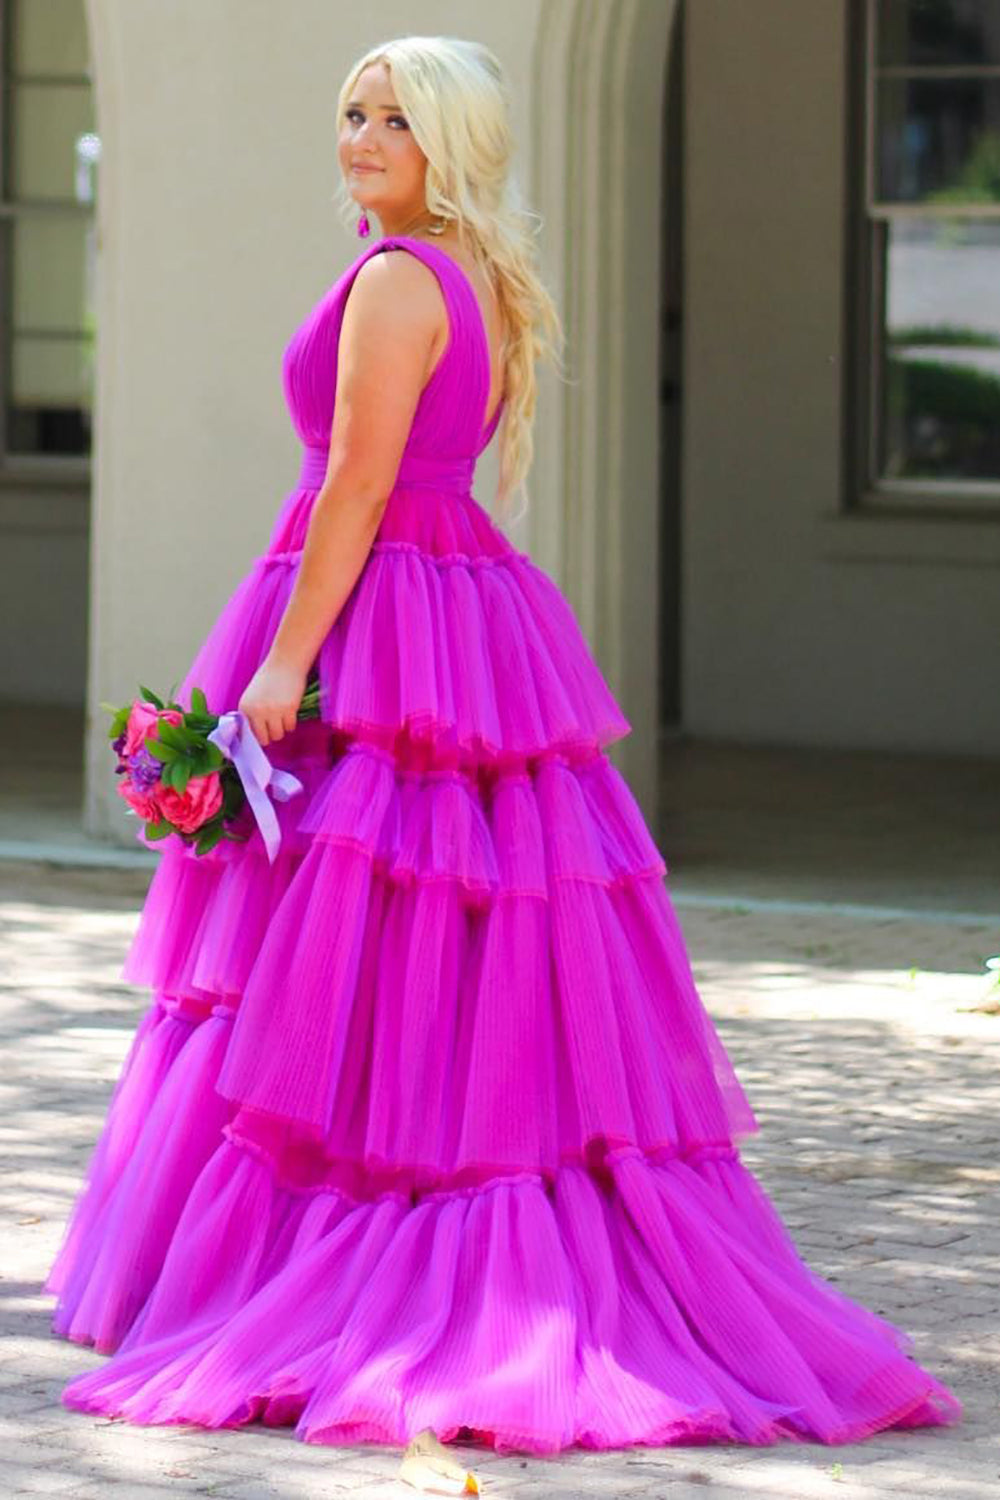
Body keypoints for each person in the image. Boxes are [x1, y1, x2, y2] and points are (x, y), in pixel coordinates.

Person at [44, 34, 962, 1456]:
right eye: (349, 109)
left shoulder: (397, 281)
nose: (359, 137)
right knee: (417, 927)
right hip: (455, 607)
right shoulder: (456, 277)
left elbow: (356, 478)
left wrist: (288, 661)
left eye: (393, 120)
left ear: (448, 143)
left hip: (372, 614)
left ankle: (333, 1253)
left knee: (349, 927)